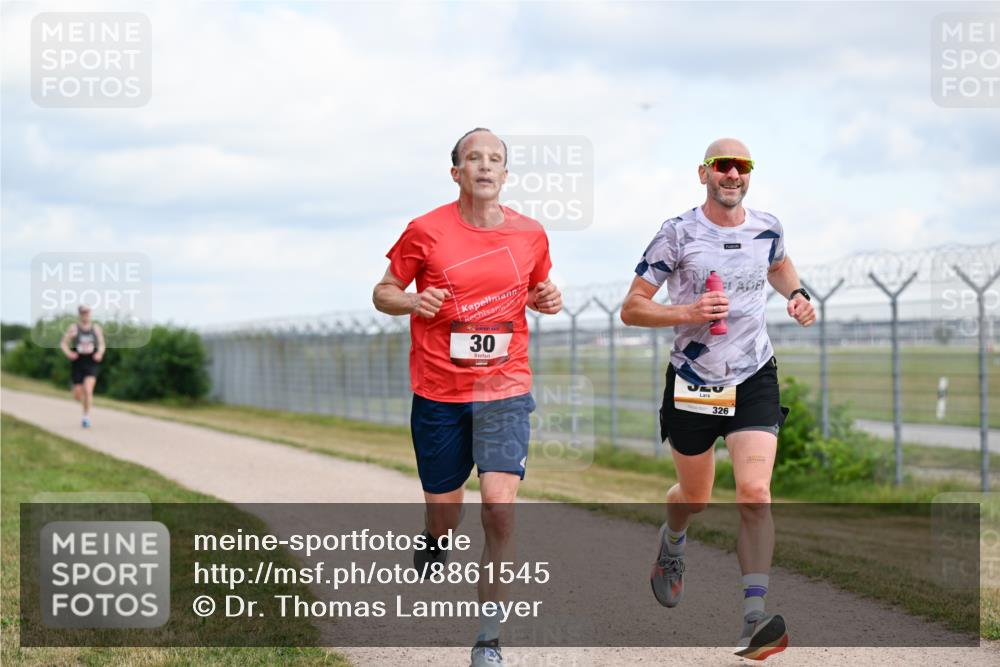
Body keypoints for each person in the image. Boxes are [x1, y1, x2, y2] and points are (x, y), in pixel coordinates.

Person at [620, 138, 815, 660]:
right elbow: (632, 308)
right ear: (703, 173)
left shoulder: (767, 227)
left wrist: (797, 294)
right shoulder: (677, 233)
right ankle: (673, 541)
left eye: (742, 166)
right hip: (694, 380)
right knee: (696, 497)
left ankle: (754, 620)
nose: (733, 173)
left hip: (753, 375)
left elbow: (779, 264)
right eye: (722, 165)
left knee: (755, 492)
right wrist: (689, 312)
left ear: (749, 174)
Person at [373, 128, 562, 667]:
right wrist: (412, 301)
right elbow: (383, 292)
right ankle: (434, 539)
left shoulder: (530, 234)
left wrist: (548, 297)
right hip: (439, 392)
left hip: (504, 388)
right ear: (456, 172)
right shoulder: (425, 231)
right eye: (474, 158)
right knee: (445, 514)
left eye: (495, 158)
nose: (485, 165)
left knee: (499, 509)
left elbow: (539, 290)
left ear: (505, 174)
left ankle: (488, 638)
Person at [60, 305, 106, 428]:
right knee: (77, 395)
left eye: (87, 312)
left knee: (88, 390)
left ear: (90, 313)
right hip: (78, 362)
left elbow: (102, 344)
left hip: (91, 362)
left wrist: (100, 353)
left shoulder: (95, 328)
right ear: (80, 314)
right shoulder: (74, 328)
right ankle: (80, 397)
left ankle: (86, 417)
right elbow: (63, 343)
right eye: (83, 312)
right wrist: (69, 353)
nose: (85, 314)